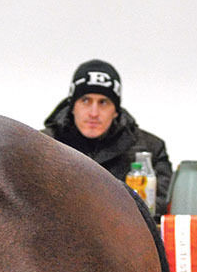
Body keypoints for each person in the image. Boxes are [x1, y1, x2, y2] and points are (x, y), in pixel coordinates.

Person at [40, 59, 174, 210]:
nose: (94, 113)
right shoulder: (42, 145)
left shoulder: (151, 149)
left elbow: (159, 209)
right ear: (72, 107)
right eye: (85, 101)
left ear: (116, 110)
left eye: (103, 102)